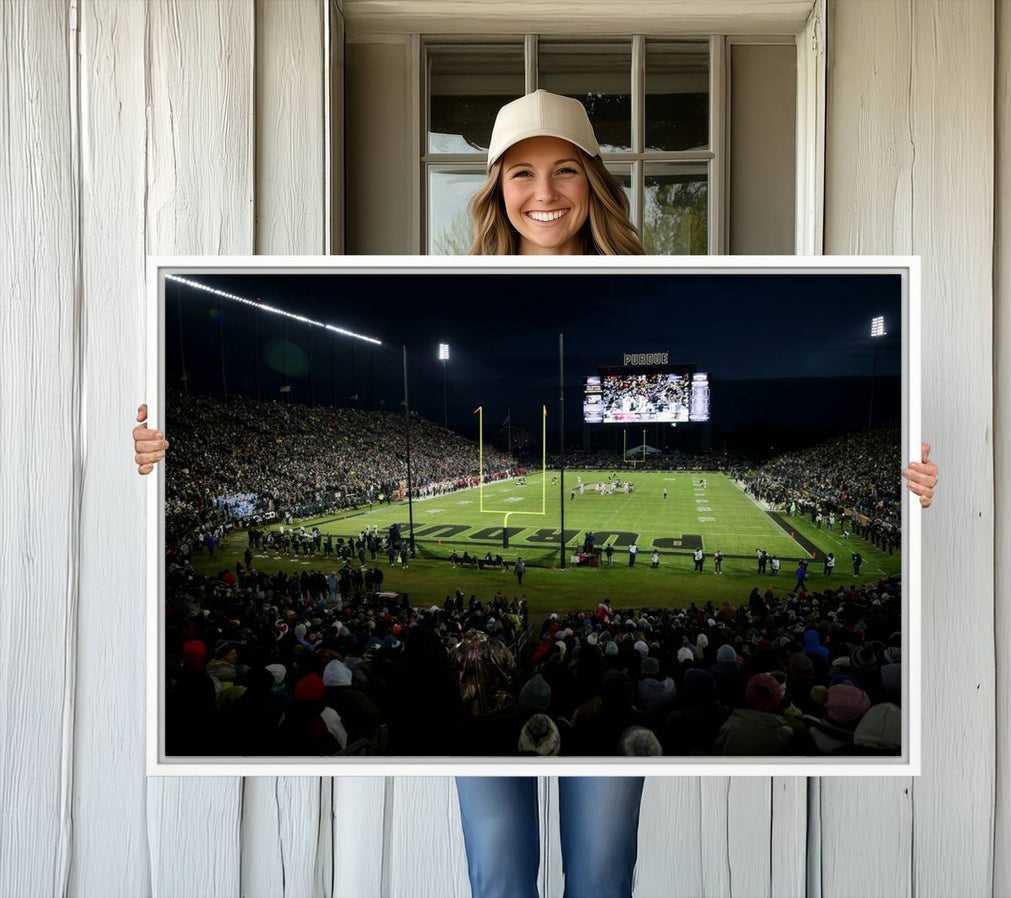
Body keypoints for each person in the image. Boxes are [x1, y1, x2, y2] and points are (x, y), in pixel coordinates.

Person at [132, 89, 939, 898]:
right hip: (481, 704)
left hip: (586, 713)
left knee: (599, 872)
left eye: (564, 171)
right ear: (494, 188)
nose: (544, 193)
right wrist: (161, 450)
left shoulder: (658, 272)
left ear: (594, 181)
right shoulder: (451, 279)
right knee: (500, 873)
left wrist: (915, 485)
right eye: (520, 173)